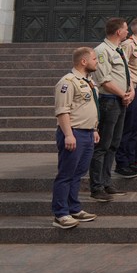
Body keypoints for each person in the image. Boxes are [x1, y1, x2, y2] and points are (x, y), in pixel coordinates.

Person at [52, 47, 101, 229]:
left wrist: (94, 129)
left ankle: (73, 207)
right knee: (66, 174)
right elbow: (62, 111)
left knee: (78, 174)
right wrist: (68, 134)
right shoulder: (67, 82)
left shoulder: (88, 81)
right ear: (83, 61)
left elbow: (88, 107)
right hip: (74, 133)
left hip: (87, 133)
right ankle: (61, 213)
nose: (97, 62)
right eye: (94, 59)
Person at [90, 18, 132, 201]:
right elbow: (104, 80)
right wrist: (123, 94)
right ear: (118, 32)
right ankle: (97, 186)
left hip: (120, 99)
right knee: (103, 145)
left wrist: (129, 91)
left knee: (114, 143)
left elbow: (123, 74)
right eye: (125, 29)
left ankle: (107, 182)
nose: (128, 31)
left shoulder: (119, 49)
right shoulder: (102, 51)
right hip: (109, 100)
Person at [116, 17, 137, 177]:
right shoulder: (128, 45)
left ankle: (132, 160)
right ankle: (123, 163)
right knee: (128, 128)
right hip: (132, 90)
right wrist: (130, 89)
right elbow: (123, 69)